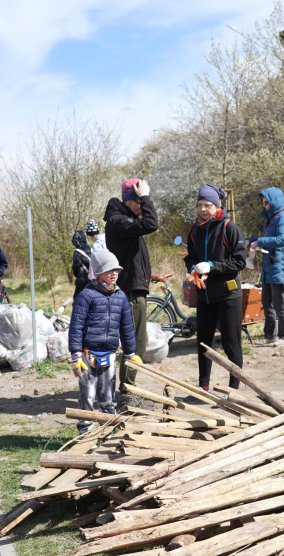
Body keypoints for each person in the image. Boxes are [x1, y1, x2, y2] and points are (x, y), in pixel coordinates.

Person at [68, 249, 142, 433]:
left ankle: (109, 431)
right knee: (88, 395)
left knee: (107, 396)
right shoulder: (86, 296)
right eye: (110, 271)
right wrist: (75, 355)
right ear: (99, 273)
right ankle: (85, 432)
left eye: (116, 270)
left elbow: (127, 327)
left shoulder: (121, 297)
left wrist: (131, 353)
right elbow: (76, 326)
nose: (114, 273)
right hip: (87, 355)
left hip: (109, 354)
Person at [184, 184, 247, 390]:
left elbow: (239, 262)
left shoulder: (229, 228)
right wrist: (193, 266)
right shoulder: (195, 231)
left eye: (208, 205)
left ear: (217, 206)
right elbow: (190, 256)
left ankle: (233, 389)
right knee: (203, 343)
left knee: (231, 343)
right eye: (200, 205)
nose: (203, 209)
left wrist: (212, 266)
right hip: (205, 296)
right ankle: (203, 387)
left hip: (228, 294)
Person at [103, 178, 158, 396]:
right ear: (130, 201)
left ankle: (126, 387)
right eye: (139, 202)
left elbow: (130, 258)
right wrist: (146, 197)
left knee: (136, 342)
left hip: (133, 288)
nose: (142, 207)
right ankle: (127, 390)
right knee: (134, 343)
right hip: (128, 292)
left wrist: (150, 275)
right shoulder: (118, 221)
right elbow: (151, 224)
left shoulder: (125, 221)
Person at [250, 187, 284, 345]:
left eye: (267, 202)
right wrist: (251, 240)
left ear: (275, 201)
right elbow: (267, 239)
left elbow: (282, 239)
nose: (265, 205)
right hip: (269, 268)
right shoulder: (269, 220)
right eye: (263, 203)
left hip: (279, 267)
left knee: (279, 303)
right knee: (266, 302)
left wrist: (260, 241)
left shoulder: (283, 218)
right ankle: (270, 336)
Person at [71, 229, 92, 294]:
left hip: (83, 280)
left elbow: (76, 268)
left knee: (77, 299)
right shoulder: (91, 249)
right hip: (93, 279)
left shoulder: (77, 252)